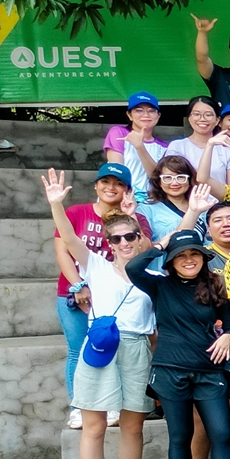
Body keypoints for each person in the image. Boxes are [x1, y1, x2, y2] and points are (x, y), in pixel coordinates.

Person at [42, 172, 158, 459]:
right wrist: (56, 205)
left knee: (133, 423)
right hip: (104, 347)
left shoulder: (151, 276)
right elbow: (67, 237)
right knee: (93, 424)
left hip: (137, 347)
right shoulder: (96, 266)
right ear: (108, 243)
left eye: (130, 236)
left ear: (140, 238)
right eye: (117, 238)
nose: (124, 243)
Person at [128, 230, 230, 459]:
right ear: (171, 261)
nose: (189, 260)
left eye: (194, 254)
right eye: (181, 255)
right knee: (180, 435)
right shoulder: (159, 285)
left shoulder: (214, 285)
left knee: (221, 433)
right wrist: (162, 245)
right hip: (170, 371)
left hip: (208, 371)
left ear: (203, 258)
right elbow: (132, 267)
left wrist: (227, 336)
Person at [55, 160, 152, 424]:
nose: (111, 187)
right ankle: (79, 406)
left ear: (128, 190)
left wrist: (131, 215)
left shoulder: (136, 219)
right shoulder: (77, 212)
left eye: (119, 184)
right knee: (80, 349)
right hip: (74, 292)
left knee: (115, 348)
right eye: (106, 182)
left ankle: (112, 403)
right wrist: (78, 285)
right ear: (96, 185)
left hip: (117, 291)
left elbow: (145, 249)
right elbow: (64, 246)